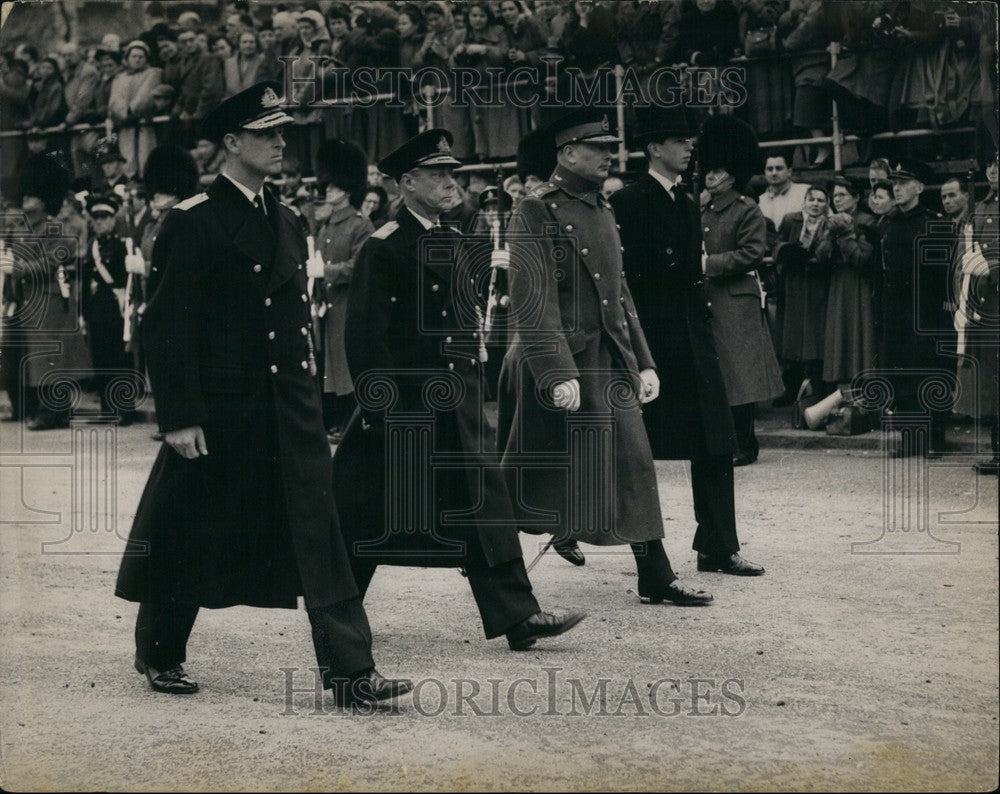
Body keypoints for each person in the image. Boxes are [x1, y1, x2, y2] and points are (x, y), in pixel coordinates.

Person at [114, 82, 413, 707]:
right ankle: (160, 649)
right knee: (192, 525)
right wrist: (181, 416)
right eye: (266, 133)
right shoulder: (192, 220)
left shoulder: (282, 215)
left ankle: (350, 672)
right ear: (230, 142)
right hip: (223, 409)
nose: (281, 142)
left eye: (282, 132)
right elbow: (168, 325)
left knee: (319, 533)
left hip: (288, 406)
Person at [332, 128, 587, 650]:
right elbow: (365, 337)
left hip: (456, 406)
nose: (452, 183)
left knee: (484, 506)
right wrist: (383, 409)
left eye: (453, 173)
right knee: (366, 517)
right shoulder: (383, 247)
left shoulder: (453, 239)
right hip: (403, 407)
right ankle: (336, 619)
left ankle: (519, 616)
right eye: (439, 174)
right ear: (407, 182)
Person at [498, 109, 714, 605]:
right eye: (597, 148)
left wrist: (643, 360)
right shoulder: (535, 209)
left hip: (607, 359)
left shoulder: (603, 207)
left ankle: (655, 572)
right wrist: (555, 371)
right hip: (557, 359)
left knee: (634, 463)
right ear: (568, 153)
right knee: (526, 478)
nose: (608, 155)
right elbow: (533, 299)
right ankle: (493, 566)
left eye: (610, 147)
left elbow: (620, 295)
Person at [609, 105, 765, 577]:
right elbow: (631, 277)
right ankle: (636, 552)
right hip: (656, 343)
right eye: (680, 141)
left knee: (717, 442)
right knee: (633, 452)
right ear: (655, 148)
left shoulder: (685, 199)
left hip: (694, 339)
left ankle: (718, 546)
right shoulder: (631, 201)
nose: (689, 148)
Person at [699, 114, 784, 465]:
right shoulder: (702, 208)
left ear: (731, 175)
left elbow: (753, 253)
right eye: (708, 171)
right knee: (718, 376)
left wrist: (709, 264)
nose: (709, 177)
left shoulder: (746, 209)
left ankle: (745, 445)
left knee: (741, 378)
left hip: (735, 301)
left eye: (716, 172)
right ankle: (725, 441)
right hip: (710, 300)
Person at [875, 159, 955, 458]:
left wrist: (944, 311)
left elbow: (947, 272)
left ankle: (935, 437)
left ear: (919, 187)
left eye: (903, 183)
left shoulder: (934, 223)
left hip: (928, 311)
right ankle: (910, 438)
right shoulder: (890, 224)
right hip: (897, 312)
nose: (896, 188)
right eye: (893, 183)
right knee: (902, 372)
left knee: (930, 371)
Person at [309, 139, 373, 441]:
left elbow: (359, 266)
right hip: (328, 306)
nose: (327, 191)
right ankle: (333, 419)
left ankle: (347, 421)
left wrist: (328, 272)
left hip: (348, 306)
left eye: (333, 187)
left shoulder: (361, 225)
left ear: (347, 189)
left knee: (345, 367)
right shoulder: (325, 226)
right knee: (328, 367)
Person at [952, 154, 998, 474]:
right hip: (986, 305)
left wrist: (992, 269)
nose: (994, 170)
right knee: (992, 382)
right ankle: (998, 451)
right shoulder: (981, 207)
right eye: (992, 165)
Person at [818, 176, 877, 388]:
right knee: (839, 331)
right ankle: (841, 388)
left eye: (842, 195)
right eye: (834, 196)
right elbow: (820, 256)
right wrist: (828, 238)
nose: (837, 200)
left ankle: (863, 386)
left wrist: (845, 235)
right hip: (838, 283)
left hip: (859, 283)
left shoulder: (867, 221)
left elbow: (862, 259)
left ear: (856, 197)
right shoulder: (830, 221)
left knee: (859, 329)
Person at [773, 185, 833, 395]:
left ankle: (815, 385)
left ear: (827, 204)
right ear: (804, 201)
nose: (815, 204)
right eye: (812, 199)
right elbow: (776, 244)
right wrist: (786, 251)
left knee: (813, 333)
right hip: (794, 283)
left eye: (821, 200)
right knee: (793, 332)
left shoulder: (829, 225)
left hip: (816, 284)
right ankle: (790, 386)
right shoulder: (792, 219)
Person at [81, 192, 135, 422]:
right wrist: (83, 313)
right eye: (96, 218)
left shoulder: (122, 245)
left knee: (119, 361)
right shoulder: (92, 246)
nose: (100, 222)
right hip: (96, 311)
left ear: (113, 219)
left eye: (104, 217)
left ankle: (124, 410)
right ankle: (107, 410)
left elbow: (127, 281)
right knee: (101, 360)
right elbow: (85, 283)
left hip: (116, 309)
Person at [107, 41, 162, 178]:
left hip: (143, 122)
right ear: (127, 58)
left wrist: (133, 111)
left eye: (141, 56)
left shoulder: (153, 73)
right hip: (126, 124)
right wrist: (124, 114)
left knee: (146, 156)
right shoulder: (119, 78)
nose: (137, 59)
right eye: (134, 56)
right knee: (127, 158)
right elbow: (115, 100)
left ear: (146, 58)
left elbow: (146, 94)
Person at [757, 151, 810, 232]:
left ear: (789, 171)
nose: (774, 173)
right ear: (765, 173)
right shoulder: (759, 201)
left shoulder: (805, 192)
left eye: (779, 168)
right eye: (770, 169)